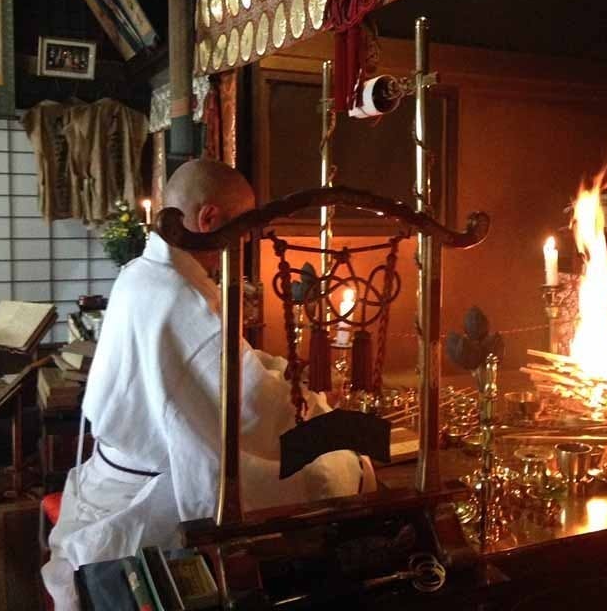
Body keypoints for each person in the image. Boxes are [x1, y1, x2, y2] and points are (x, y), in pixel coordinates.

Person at [42, 159, 375, 610]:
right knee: (339, 465)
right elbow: (254, 406)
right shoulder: (180, 295)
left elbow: (224, 363)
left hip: (113, 470)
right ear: (210, 221)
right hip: (148, 495)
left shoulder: (142, 273)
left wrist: (278, 371)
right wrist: (309, 402)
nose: (248, 239)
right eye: (245, 226)